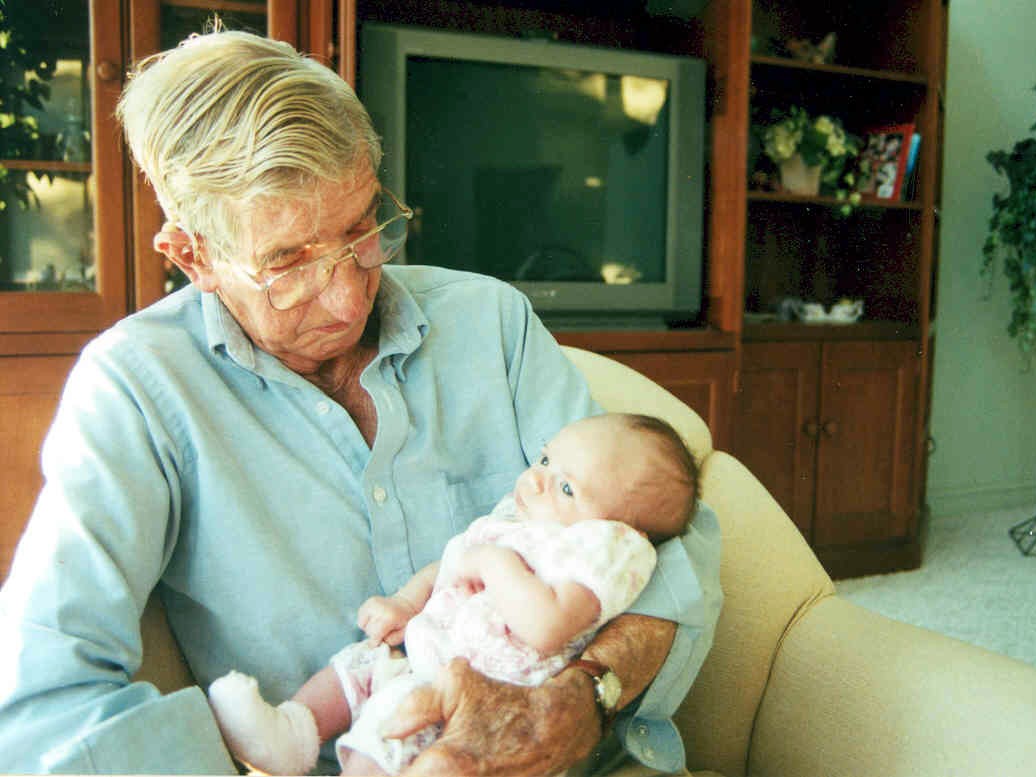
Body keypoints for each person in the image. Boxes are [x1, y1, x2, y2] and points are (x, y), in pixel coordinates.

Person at [0, 29, 722, 775]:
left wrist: (582, 695)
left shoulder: (491, 322)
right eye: (288, 263)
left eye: (363, 230)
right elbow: (43, 701)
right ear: (194, 256)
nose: (348, 300)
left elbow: (672, 542)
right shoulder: (138, 388)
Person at [208, 412, 698, 775]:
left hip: (477, 698)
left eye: (566, 487)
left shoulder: (597, 551)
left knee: (387, 739)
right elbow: (451, 562)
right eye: (546, 459)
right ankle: (291, 733)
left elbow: (547, 627)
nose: (536, 479)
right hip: (426, 657)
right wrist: (406, 603)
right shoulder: (522, 520)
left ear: (619, 529)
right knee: (355, 666)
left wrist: (494, 562)